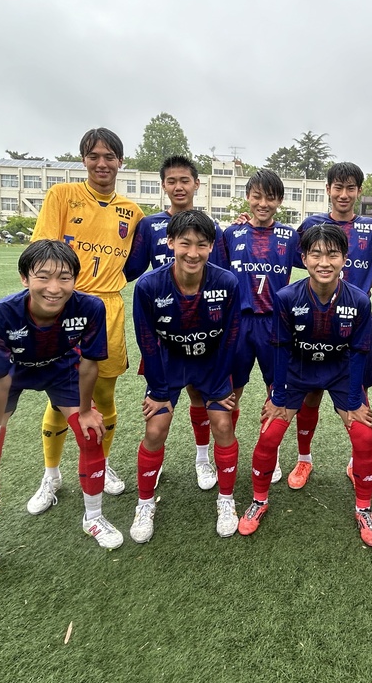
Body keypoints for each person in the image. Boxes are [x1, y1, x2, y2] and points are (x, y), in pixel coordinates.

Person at [0, 240, 122, 596]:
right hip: (11, 375)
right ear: (24, 278)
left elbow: (89, 364)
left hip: (61, 370)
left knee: (91, 433)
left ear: (75, 279)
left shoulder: (90, 307)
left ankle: (93, 517)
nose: (54, 287)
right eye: (42, 277)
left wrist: (86, 410)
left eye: (64, 277)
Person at [237, 224, 372, 546]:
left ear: (345, 258)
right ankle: (259, 500)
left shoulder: (359, 300)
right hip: (299, 371)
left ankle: (363, 508)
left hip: (341, 372)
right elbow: (280, 348)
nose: (324, 262)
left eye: (333, 254)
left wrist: (355, 401)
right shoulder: (287, 297)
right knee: (269, 432)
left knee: (363, 436)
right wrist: (278, 396)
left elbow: (360, 351)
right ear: (304, 258)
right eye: (316, 254)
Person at [28, 128, 143, 515]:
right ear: (83, 160)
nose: (102, 163)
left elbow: (140, 258)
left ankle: (101, 463)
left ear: (120, 162)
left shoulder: (133, 212)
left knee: (104, 395)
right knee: (61, 396)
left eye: (109, 156)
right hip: (66, 305)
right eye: (94, 156)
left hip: (108, 308)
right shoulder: (62, 195)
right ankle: (52, 474)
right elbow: (41, 252)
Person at [130, 210, 242, 542]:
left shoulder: (227, 282)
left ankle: (226, 499)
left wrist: (221, 383)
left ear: (211, 247)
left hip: (211, 364)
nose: (193, 253)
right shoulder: (149, 285)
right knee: (156, 428)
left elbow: (231, 337)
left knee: (223, 424)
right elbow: (147, 340)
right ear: (170, 243)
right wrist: (158, 390)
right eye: (185, 243)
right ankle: (144, 503)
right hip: (169, 363)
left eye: (201, 245)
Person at [125, 155, 232, 492]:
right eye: (171, 181)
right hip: (166, 328)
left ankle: (202, 458)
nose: (178, 186)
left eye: (185, 180)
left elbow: (222, 272)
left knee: (201, 400)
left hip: (203, 326)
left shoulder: (211, 228)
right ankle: (151, 478)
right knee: (158, 419)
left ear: (196, 183)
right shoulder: (149, 226)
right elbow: (131, 269)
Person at [286, 162, 372, 489]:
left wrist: (355, 294)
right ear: (328, 189)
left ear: (359, 191)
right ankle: (304, 459)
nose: (344, 194)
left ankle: (357, 460)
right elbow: (288, 252)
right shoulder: (311, 224)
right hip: (315, 321)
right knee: (310, 393)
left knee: (358, 392)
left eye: (350, 188)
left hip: (356, 322)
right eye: (338, 187)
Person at [223, 170, 299, 439]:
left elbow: (317, 256)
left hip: (274, 323)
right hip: (239, 322)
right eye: (257, 197)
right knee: (231, 391)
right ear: (247, 197)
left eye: (270, 197)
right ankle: (226, 445)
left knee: (276, 390)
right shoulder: (232, 233)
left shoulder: (290, 236)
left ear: (280, 200)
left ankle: (270, 449)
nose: (263, 203)